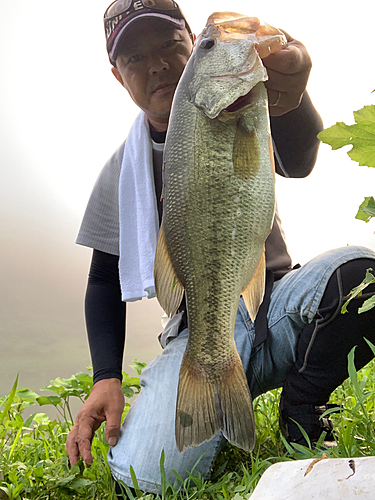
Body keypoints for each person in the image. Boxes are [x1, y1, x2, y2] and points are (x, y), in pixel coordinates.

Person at [65, 0, 375, 496]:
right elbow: (103, 278)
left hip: (274, 306)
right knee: (148, 478)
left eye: (171, 45)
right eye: (135, 58)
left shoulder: (245, 109)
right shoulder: (120, 172)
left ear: (191, 46)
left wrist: (292, 96)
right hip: (199, 329)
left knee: (365, 276)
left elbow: (299, 160)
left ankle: (303, 407)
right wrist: (105, 376)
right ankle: (218, 396)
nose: (159, 65)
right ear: (119, 77)